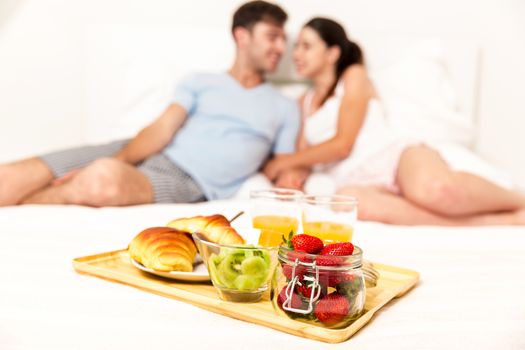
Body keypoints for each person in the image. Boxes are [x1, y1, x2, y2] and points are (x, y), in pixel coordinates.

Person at [0, 1, 300, 207]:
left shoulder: (284, 107)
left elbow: (284, 166)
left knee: (100, 179)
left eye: (283, 39)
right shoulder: (200, 81)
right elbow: (162, 128)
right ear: (242, 36)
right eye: (272, 37)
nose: (280, 48)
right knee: (9, 176)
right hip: (143, 149)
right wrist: (120, 158)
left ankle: (21, 206)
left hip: (192, 182)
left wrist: (298, 177)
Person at [263, 17, 525, 226]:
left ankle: (519, 201)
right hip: (354, 179)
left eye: (306, 46)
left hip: (393, 157)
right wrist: (291, 176)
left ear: (332, 53)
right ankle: (495, 221)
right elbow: (304, 156)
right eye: (296, 46)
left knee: (436, 190)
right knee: (353, 204)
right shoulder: (303, 102)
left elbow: (342, 144)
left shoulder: (353, 76)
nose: (297, 54)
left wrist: (282, 163)